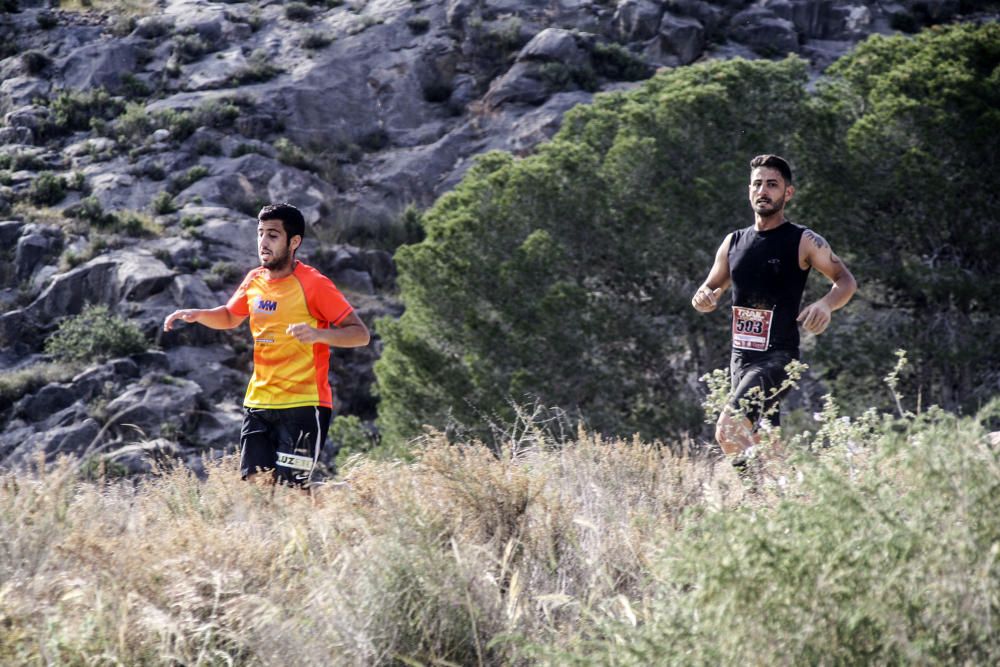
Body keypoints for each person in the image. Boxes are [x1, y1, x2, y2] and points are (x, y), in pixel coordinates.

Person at [163, 203, 370, 488]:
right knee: (258, 485)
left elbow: (360, 334)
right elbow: (229, 316)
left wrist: (319, 335)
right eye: (260, 233)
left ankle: (342, 496)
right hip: (259, 402)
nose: (263, 241)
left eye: (272, 234)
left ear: (293, 241)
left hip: (304, 404)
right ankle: (331, 496)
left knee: (292, 490)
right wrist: (198, 315)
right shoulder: (254, 280)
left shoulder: (314, 284)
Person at [691, 155, 857, 457]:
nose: (763, 191)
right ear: (749, 190)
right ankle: (780, 495)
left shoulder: (803, 241)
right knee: (765, 446)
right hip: (740, 360)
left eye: (772, 185)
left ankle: (759, 494)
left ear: (787, 193)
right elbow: (708, 288)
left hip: (778, 358)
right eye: (757, 184)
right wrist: (703, 297)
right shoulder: (733, 242)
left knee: (728, 431)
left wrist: (826, 305)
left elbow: (845, 281)